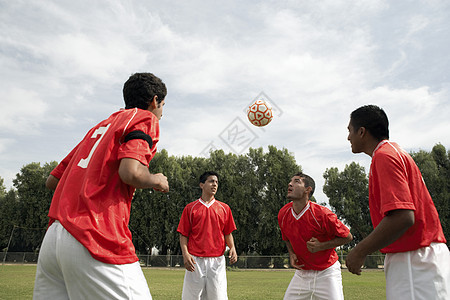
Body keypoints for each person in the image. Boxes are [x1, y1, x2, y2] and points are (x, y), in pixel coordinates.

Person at [33, 72, 170, 300]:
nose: (162, 112)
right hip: (93, 235)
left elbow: (52, 181)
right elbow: (130, 172)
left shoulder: (98, 129)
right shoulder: (145, 118)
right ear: (154, 101)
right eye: (163, 105)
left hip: (54, 238)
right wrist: (156, 179)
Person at [345, 104, 450, 299]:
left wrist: (359, 250)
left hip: (414, 260)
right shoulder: (394, 152)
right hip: (419, 257)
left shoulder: (384, 157)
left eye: (350, 131)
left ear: (362, 132)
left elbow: (403, 217)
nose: (348, 137)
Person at [278, 172, 353, 300]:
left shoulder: (322, 214)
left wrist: (321, 246)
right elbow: (286, 238)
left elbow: (348, 237)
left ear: (308, 190)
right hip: (302, 273)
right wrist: (291, 254)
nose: (290, 184)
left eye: (297, 181)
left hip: (327, 272)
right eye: (290, 181)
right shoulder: (283, 213)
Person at [177, 171, 238, 300]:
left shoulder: (224, 208)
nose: (214, 184)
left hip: (217, 261)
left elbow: (228, 233)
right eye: (211, 181)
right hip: (195, 260)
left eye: (216, 182)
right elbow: (184, 235)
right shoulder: (190, 208)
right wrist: (186, 254)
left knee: (218, 297)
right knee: (191, 297)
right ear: (201, 185)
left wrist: (232, 247)